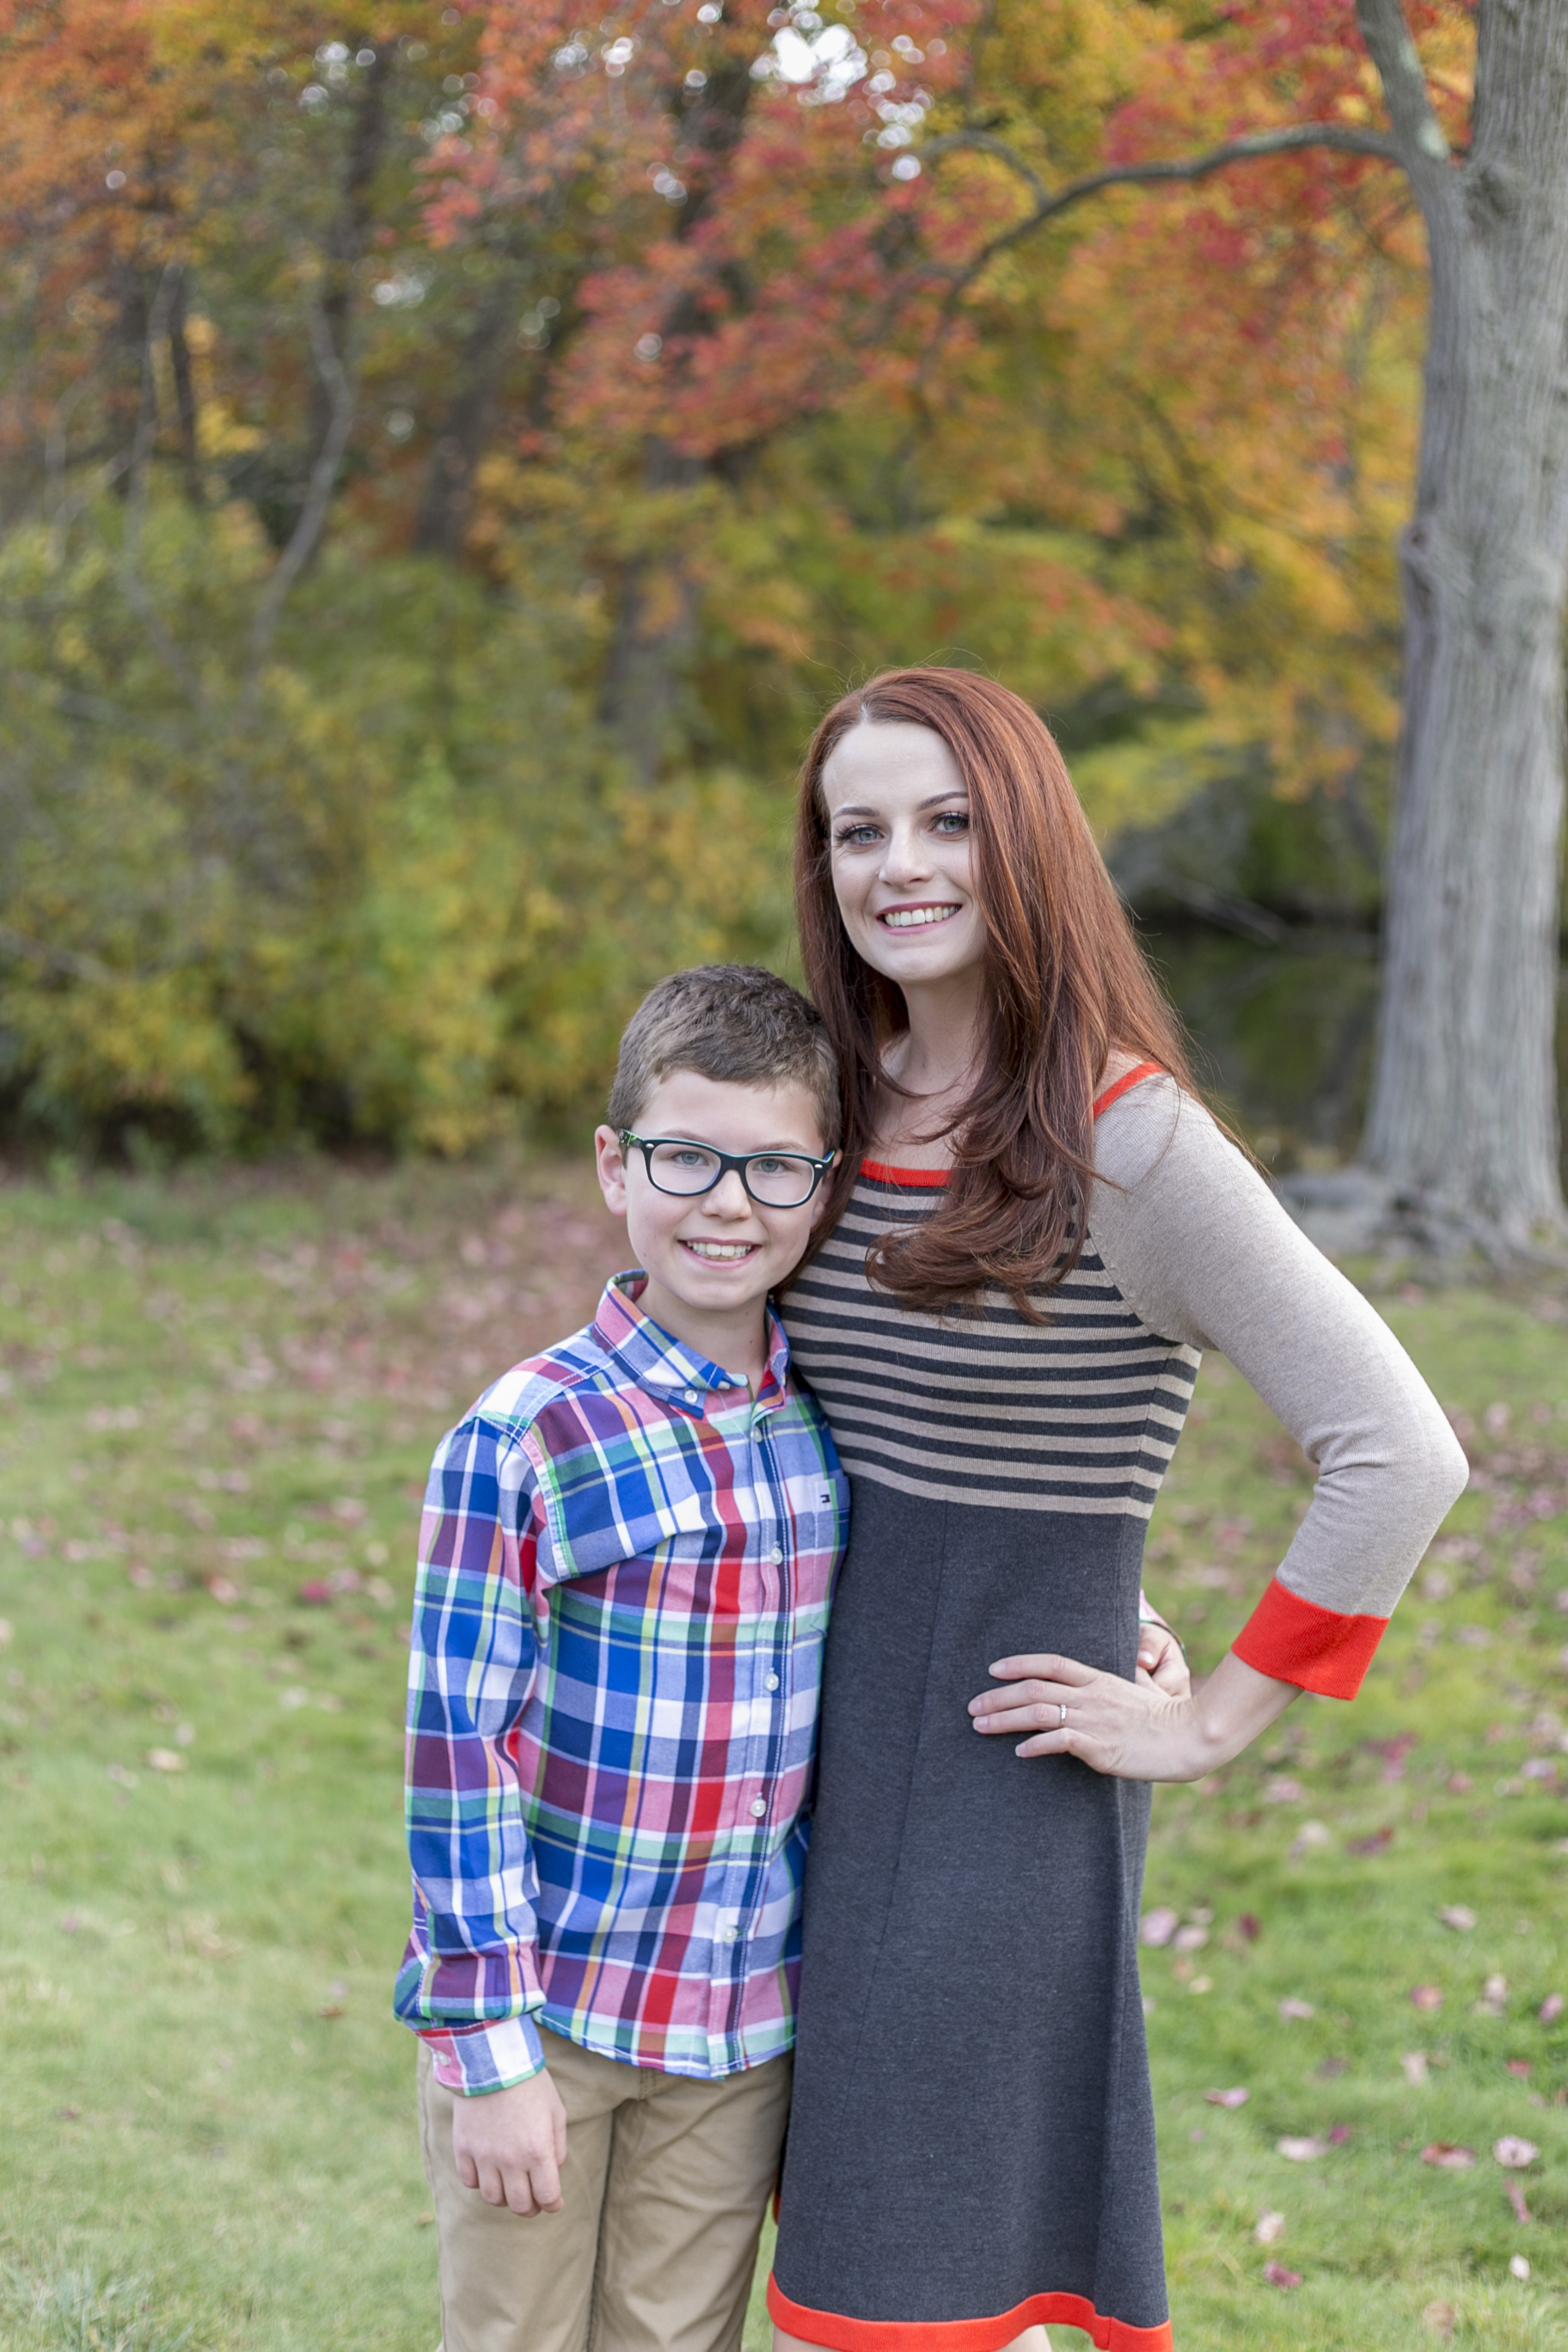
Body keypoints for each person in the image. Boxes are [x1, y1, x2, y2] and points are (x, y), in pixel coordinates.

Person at [766, 669, 1471, 2352]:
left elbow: (1398, 1446)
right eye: (860, 830)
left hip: (994, 1795)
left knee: (911, 2307)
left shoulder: (1124, 1138)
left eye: (948, 821)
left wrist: (1216, 1720)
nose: (901, 865)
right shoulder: (824, 1108)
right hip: (783, 1772)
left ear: (1029, 842)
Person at [395, 964, 852, 2352]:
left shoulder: (834, 1424)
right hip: (559, 2022)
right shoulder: (526, 1435)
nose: (729, 1202)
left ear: (825, 1186)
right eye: (687, 1156)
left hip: (737, 2031)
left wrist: (1114, 1623)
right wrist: (490, 2055)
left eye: (776, 1167)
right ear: (615, 1165)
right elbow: (455, 1756)